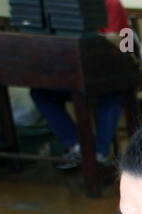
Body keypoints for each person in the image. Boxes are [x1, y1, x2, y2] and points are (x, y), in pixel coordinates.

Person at [31, 0, 130, 168]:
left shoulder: (111, 4)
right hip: (71, 73)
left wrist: (91, 39)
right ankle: (76, 146)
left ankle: (100, 152)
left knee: (112, 94)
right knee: (41, 93)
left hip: (108, 72)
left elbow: (122, 42)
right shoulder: (63, 7)